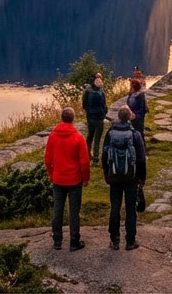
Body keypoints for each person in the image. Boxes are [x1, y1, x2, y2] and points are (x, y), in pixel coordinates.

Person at [44, 106, 90, 251]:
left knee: (58, 209)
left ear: (61, 118)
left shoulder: (53, 136)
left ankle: (57, 240)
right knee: (74, 211)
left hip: (58, 179)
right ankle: (74, 241)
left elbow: (47, 159)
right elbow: (84, 162)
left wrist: (51, 174)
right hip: (74, 180)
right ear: (73, 119)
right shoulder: (78, 137)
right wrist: (86, 178)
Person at [103, 105, 147, 251]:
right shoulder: (135, 135)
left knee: (114, 207)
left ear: (118, 117)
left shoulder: (110, 133)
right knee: (130, 209)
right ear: (129, 117)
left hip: (114, 176)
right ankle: (130, 241)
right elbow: (141, 159)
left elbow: (105, 156)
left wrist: (106, 174)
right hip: (131, 177)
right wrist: (141, 178)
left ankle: (114, 240)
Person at [82, 72, 108, 165]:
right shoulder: (101, 93)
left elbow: (84, 105)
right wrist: (104, 113)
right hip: (99, 118)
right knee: (97, 138)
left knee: (90, 136)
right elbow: (104, 106)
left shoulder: (87, 91)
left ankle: (88, 154)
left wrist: (88, 113)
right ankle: (96, 158)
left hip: (90, 117)